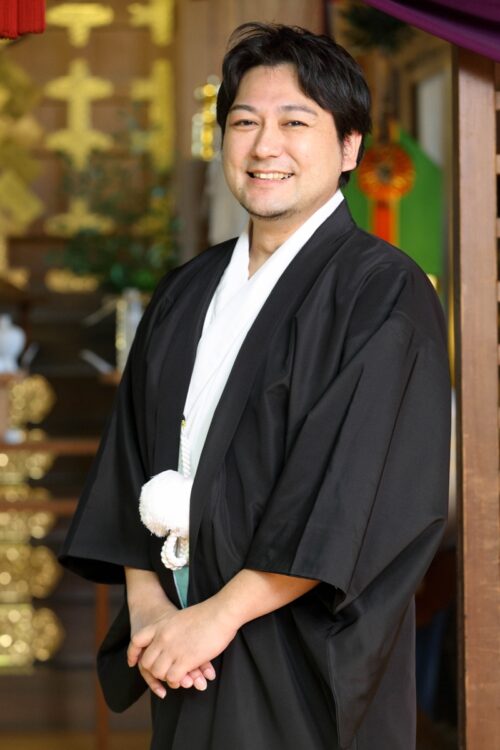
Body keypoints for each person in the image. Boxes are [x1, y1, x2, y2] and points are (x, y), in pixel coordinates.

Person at [60, 23, 451, 750]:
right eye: (245, 122)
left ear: (349, 149)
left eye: (295, 122)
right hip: (181, 650)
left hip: (297, 663)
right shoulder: (187, 289)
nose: (265, 146)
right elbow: (131, 461)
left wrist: (217, 618)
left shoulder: (383, 294)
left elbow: (346, 496)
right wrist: (149, 610)